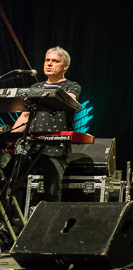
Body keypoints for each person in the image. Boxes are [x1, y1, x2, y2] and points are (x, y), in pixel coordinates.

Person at [11, 46, 81, 204]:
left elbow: (68, 100)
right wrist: (11, 137)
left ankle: (50, 220)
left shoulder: (71, 86)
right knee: (14, 184)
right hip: (31, 145)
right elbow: (25, 116)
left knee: (52, 191)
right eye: (47, 60)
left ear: (65, 67)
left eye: (55, 61)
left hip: (55, 147)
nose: (49, 64)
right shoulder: (35, 87)